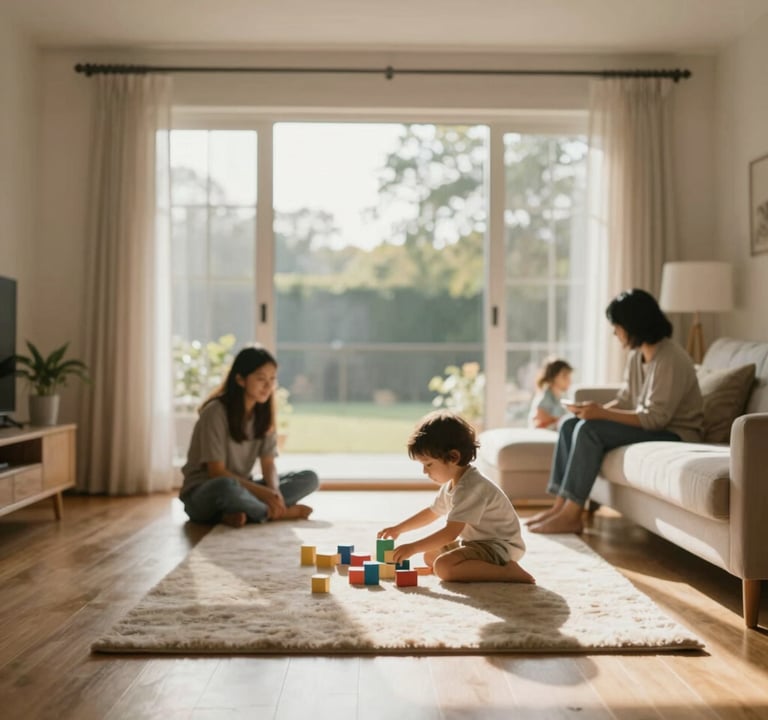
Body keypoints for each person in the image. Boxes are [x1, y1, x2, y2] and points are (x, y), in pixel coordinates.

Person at [527, 288, 704, 534]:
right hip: (657, 426)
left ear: (633, 325)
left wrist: (600, 414)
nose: (615, 332)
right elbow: (626, 399)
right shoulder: (637, 357)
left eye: (617, 325)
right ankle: (559, 507)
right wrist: (590, 410)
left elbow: (655, 418)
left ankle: (572, 515)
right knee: (570, 424)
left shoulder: (671, 358)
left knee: (590, 430)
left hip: (676, 433)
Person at [377, 410, 535, 583]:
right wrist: (398, 529)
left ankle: (507, 572)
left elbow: (450, 533)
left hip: (499, 547)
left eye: (428, 464)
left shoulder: (471, 488)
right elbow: (432, 512)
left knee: (444, 567)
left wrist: (413, 547)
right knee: (430, 556)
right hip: (477, 543)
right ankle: (464, 569)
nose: (424, 471)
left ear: (453, 457)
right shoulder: (453, 483)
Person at [179, 344, 319, 528]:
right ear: (240, 379)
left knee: (310, 478)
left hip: (244, 488)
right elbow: (216, 472)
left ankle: (239, 513)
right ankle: (276, 513)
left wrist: (274, 492)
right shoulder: (215, 412)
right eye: (261, 379)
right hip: (205, 493)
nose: (268, 386)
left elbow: (268, 463)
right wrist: (265, 495)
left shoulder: (263, 414)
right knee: (226, 487)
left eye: (272, 379)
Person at [528, 357, 574, 429]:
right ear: (554, 377)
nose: (569, 380)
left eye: (569, 376)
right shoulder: (545, 398)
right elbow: (538, 424)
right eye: (565, 376)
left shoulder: (561, 397)